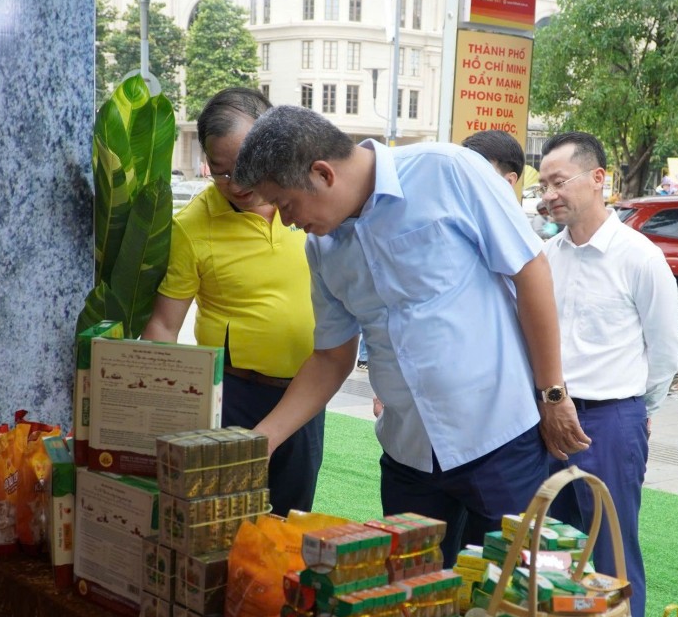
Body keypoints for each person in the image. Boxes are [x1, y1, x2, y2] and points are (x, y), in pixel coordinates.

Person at [232, 106, 591, 565]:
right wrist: (263, 440)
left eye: (283, 204)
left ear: (322, 174)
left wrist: (553, 393)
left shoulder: (448, 171)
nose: (284, 221)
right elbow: (331, 358)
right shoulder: (321, 248)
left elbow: (529, 269)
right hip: (408, 455)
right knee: (411, 602)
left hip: (500, 438)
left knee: (515, 595)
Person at [142, 88, 325, 517]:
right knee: (225, 522)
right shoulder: (193, 226)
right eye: (221, 172)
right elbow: (164, 326)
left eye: (248, 166)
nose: (238, 184)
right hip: (234, 398)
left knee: (289, 524)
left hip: (307, 393)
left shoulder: (312, 204)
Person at [539, 132, 678, 617]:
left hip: (611, 420)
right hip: (547, 420)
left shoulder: (638, 256)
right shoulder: (545, 255)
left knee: (612, 552)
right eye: (543, 184)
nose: (549, 194)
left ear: (599, 179)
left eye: (559, 181)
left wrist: (639, 412)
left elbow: (665, 349)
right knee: (549, 547)